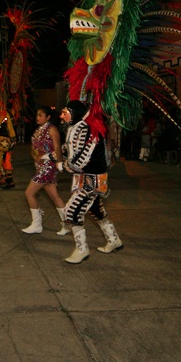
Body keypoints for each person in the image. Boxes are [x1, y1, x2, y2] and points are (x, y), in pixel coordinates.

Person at [54, 100, 123, 264]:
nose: (61, 115)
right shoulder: (76, 127)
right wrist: (50, 157)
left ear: (74, 112)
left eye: (65, 112)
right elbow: (69, 150)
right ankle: (114, 240)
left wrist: (62, 166)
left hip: (93, 180)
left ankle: (82, 249)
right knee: (96, 210)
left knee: (72, 211)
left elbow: (80, 161)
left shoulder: (87, 129)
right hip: (85, 178)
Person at [21, 106, 69, 236]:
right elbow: (34, 148)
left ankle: (37, 224)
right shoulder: (38, 130)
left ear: (48, 117)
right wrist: (35, 156)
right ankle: (67, 223)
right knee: (54, 195)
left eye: (40, 115)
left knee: (29, 193)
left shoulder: (52, 129)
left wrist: (59, 163)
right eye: (37, 115)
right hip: (40, 165)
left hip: (48, 166)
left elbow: (58, 146)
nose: (37, 117)